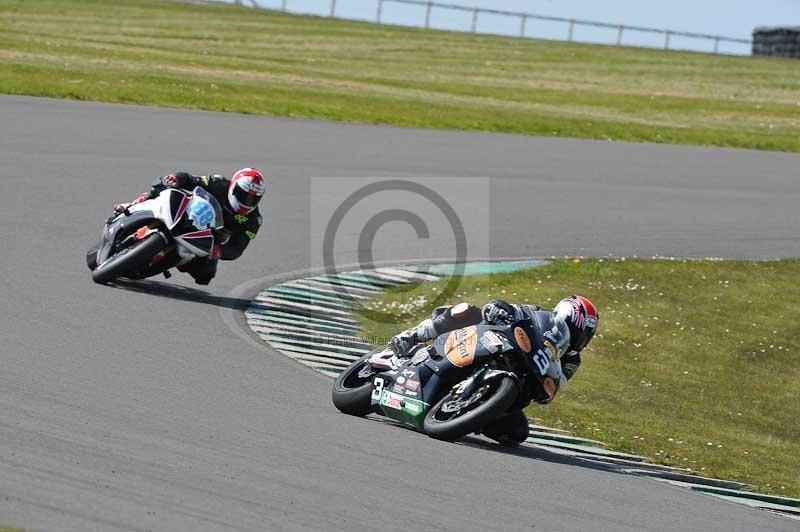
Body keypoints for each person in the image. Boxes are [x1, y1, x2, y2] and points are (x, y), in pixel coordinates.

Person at [389, 295, 599, 446]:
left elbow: (554, 384)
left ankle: (470, 411)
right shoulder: (539, 315)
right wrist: (500, 309)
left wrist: (543, 390)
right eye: (578, 329)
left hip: (517, 379)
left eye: (585, 334)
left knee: (517, 433)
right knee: (467, 311)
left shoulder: (572, 360)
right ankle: (413, 336)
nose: (581, 337)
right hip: (489, 344)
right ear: (563, 316)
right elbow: (506, 308)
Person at [113, 168, 265, 285]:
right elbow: (190, 179)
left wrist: (220, 251)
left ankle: (173, 260)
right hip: (189, 217)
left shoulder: (253, 220)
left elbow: (238, 248)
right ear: (233, 186)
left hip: (207, 241)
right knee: (163, 185)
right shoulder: (218, 183)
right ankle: (133, 205)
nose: (247, 201)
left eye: (253, 198)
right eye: (243, 195)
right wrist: (176, 179)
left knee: (205, 276)